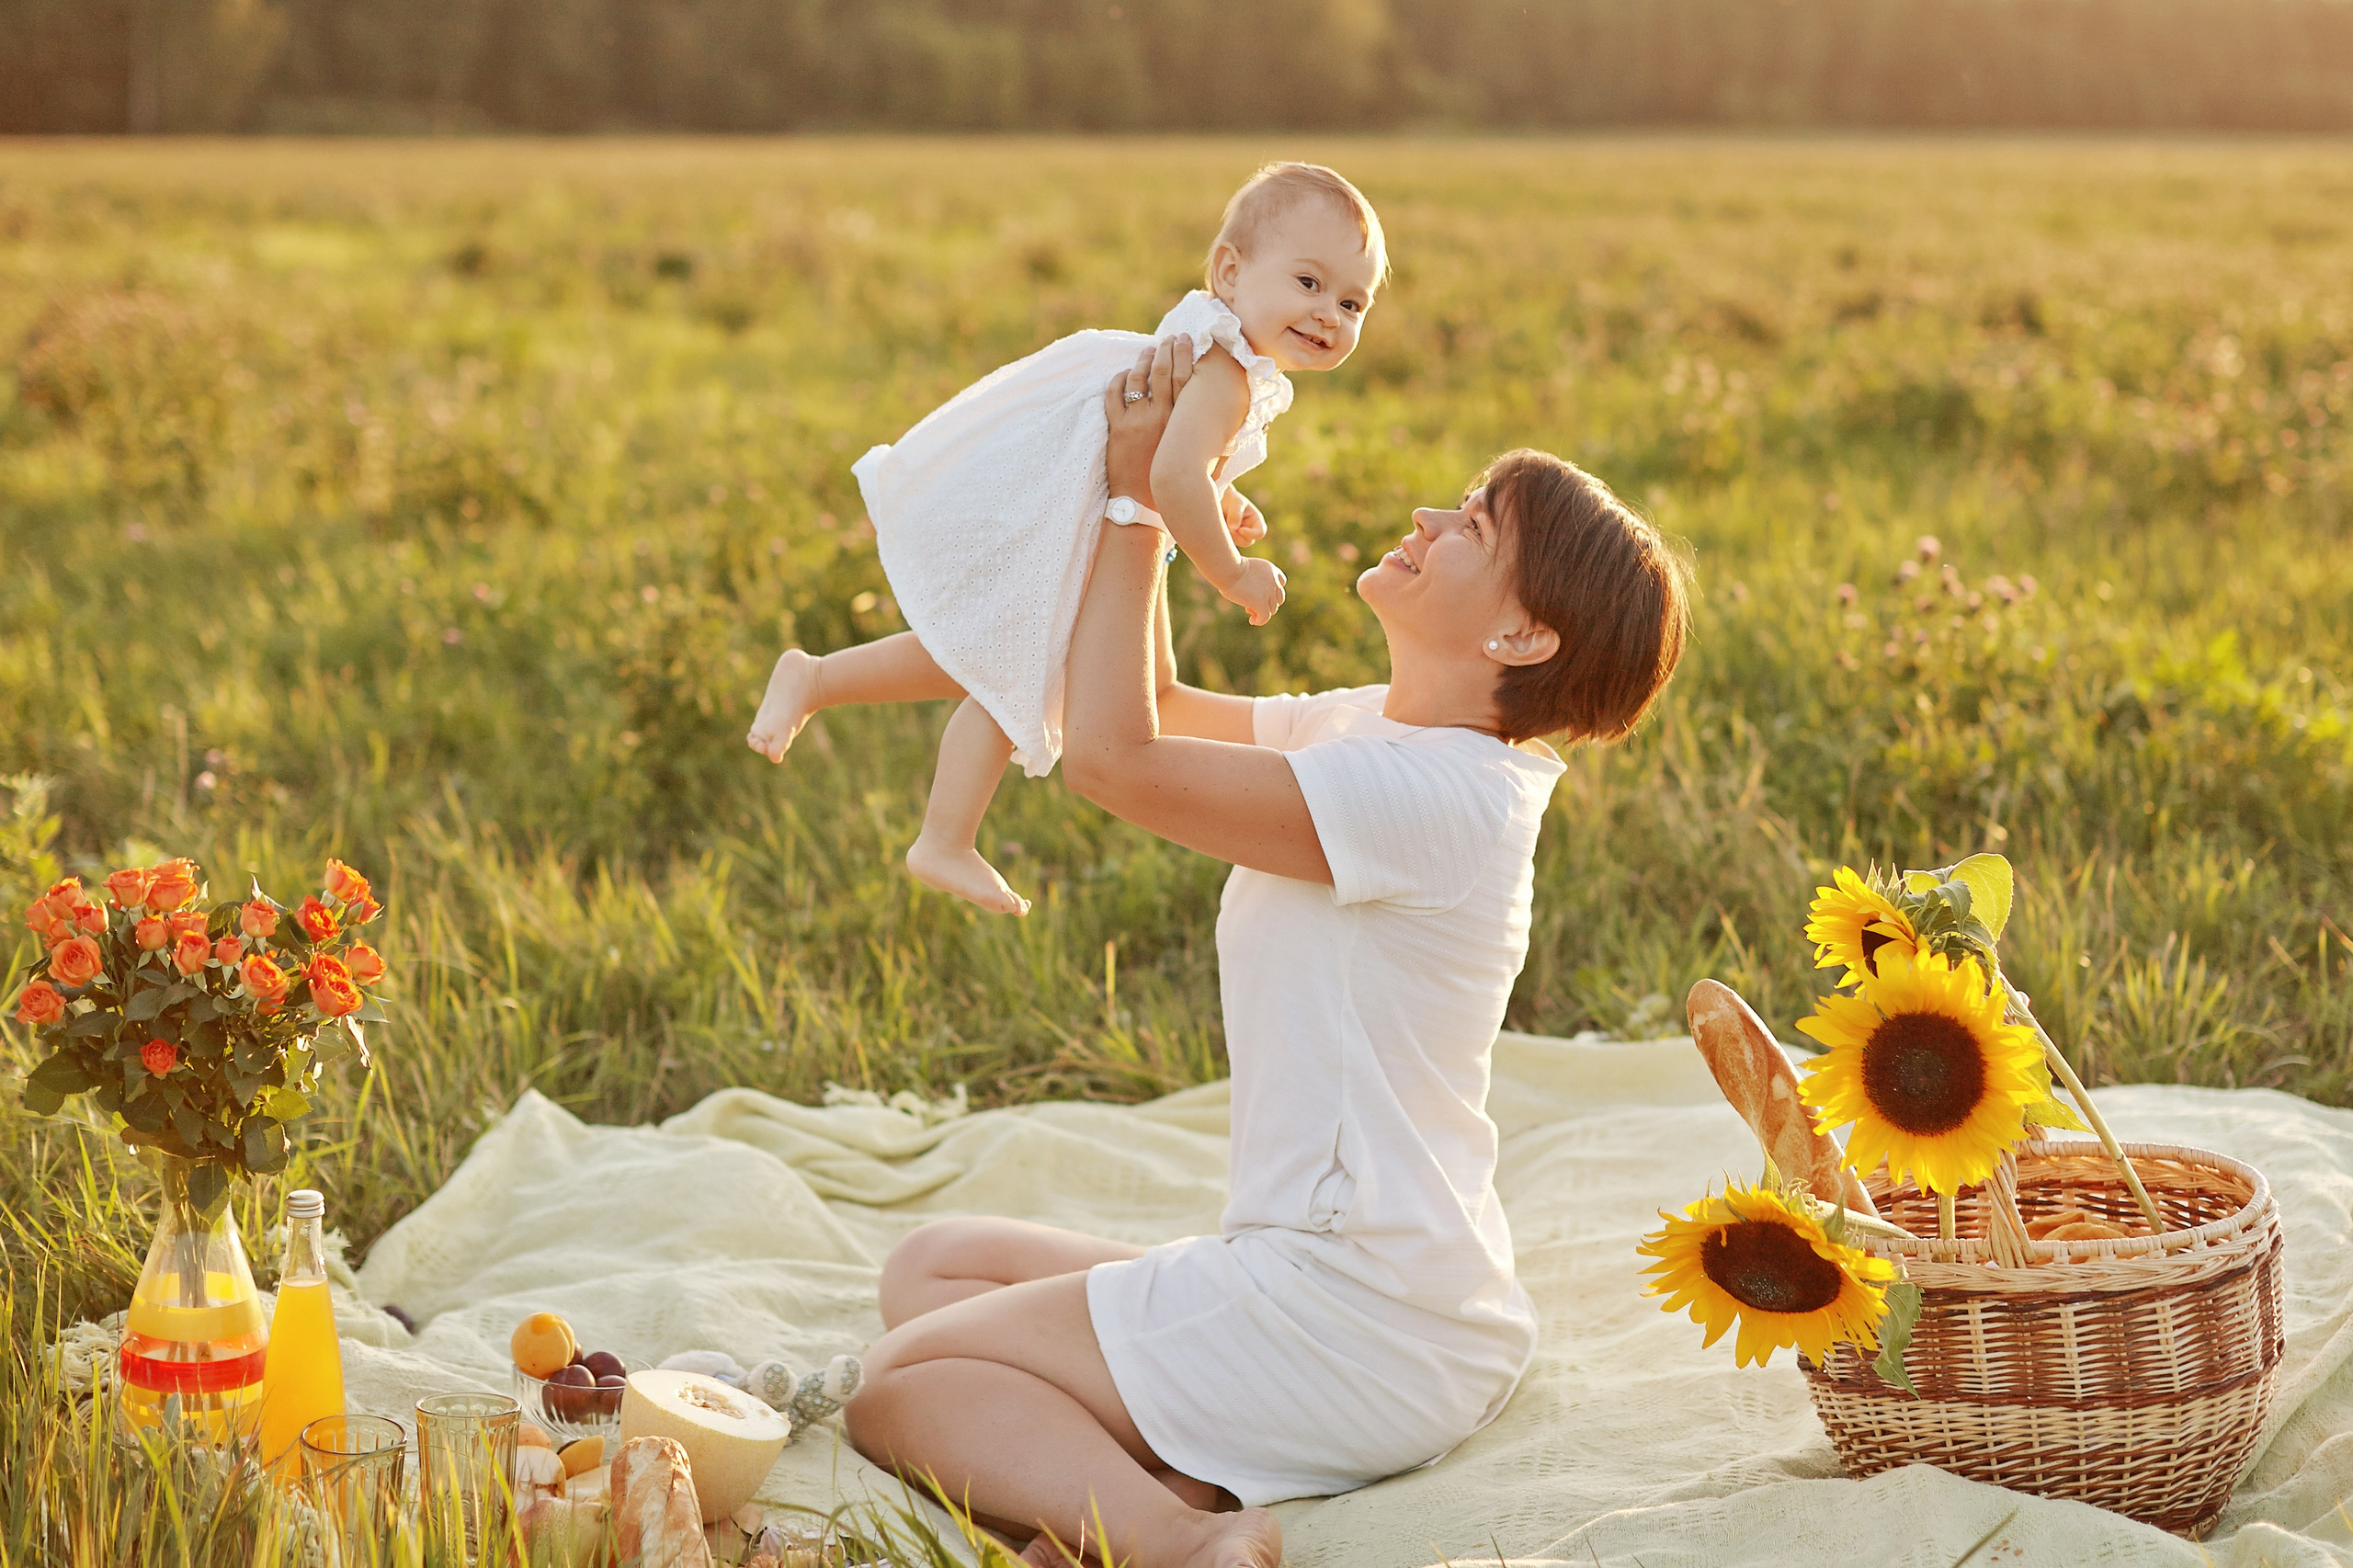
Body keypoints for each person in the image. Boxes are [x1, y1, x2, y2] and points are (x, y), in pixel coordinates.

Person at [842, 338, 1692, 1568]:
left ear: (1520, 632)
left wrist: (1141, 498)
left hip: (1369, 1317)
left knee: (896, 1387)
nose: (1426, 515)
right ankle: (1184, 1442)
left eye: (1470, 523)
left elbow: (1112, 764)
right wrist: (1157, 502)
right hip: (1358, 1279)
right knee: (935, 1269)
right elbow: (1151, 706)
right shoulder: (1375, 729)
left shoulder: (1445, 799)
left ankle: (1174, 1535)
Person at [746, 163, 1387, 916]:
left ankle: (822, 688)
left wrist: (1224, 492)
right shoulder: (1227, 375)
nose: (1329, 315)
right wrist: (1231, 570)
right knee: (1011, 661)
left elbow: (1184, 461)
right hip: (1073, 510)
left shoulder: (1220, 349)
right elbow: (1173, 480)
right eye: (1309, 284)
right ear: (1230, 270)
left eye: (1352, 302)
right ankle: (940, 833)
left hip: (1061, 496)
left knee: (996, 651)